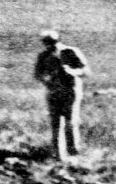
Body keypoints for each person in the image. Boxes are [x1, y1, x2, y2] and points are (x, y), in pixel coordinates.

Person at [33, 27, 89, 161]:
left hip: (70, 91)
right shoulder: (43, 56)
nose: (50, 45)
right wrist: (46, 80)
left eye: (52, 42)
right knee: (56, 123)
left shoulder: (70, 52)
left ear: (57, 40)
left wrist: (72, 72)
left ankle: (73, 154)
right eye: (46, 42)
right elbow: (37, 74)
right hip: (53, 92)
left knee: (71, 122)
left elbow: (85, 71)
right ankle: (58, 155)